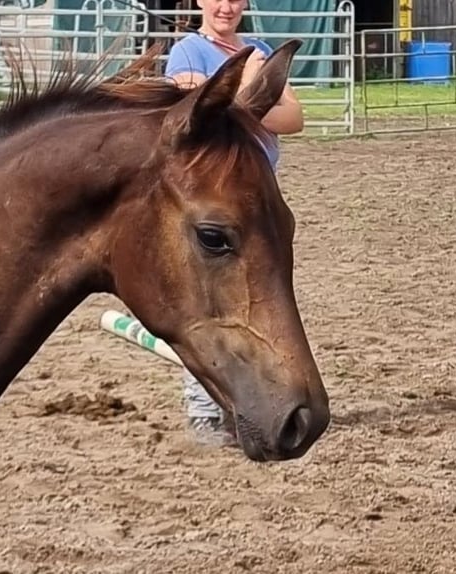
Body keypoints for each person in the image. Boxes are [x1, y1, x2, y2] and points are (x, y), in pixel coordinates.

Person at [163, 0, 305, 446]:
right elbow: (189, 108)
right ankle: (205, 409)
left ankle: (256, 398)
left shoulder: (258, 48)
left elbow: (294, 118)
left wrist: (233, 95)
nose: (225, 6)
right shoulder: (187, 50)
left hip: (256, 196)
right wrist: (248, 85)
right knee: (209, 299)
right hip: (213, 199)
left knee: (260, 299)